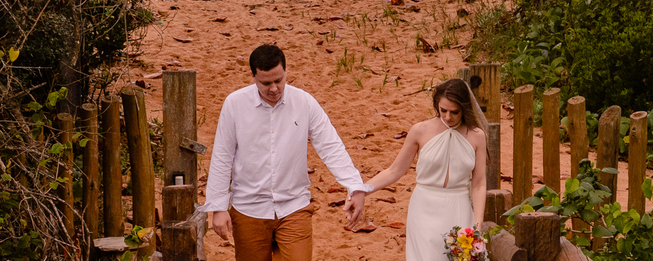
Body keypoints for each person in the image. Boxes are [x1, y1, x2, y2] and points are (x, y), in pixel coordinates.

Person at [202, 44, 368, 261]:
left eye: (279, 80)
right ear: (253, 76)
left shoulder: (304, 102)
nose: (274, 88)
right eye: (266, 83)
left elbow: (330, 146)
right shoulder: (234, 104)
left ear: (286, 72)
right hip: (248, 209)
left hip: (294, 206)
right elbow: (222, 156)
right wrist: (218, 207)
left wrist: (355, 186)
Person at [356, 78, 487, 261]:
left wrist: (477, 225)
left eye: (454, 112)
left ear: (464, 108)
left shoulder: (477, 136)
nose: (448, 117)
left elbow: (479, 183)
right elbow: (394, 170)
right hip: (424, 209)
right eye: (443, 110)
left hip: (459, 207)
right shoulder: (420, 131)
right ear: (437, 105)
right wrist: (362, 189)